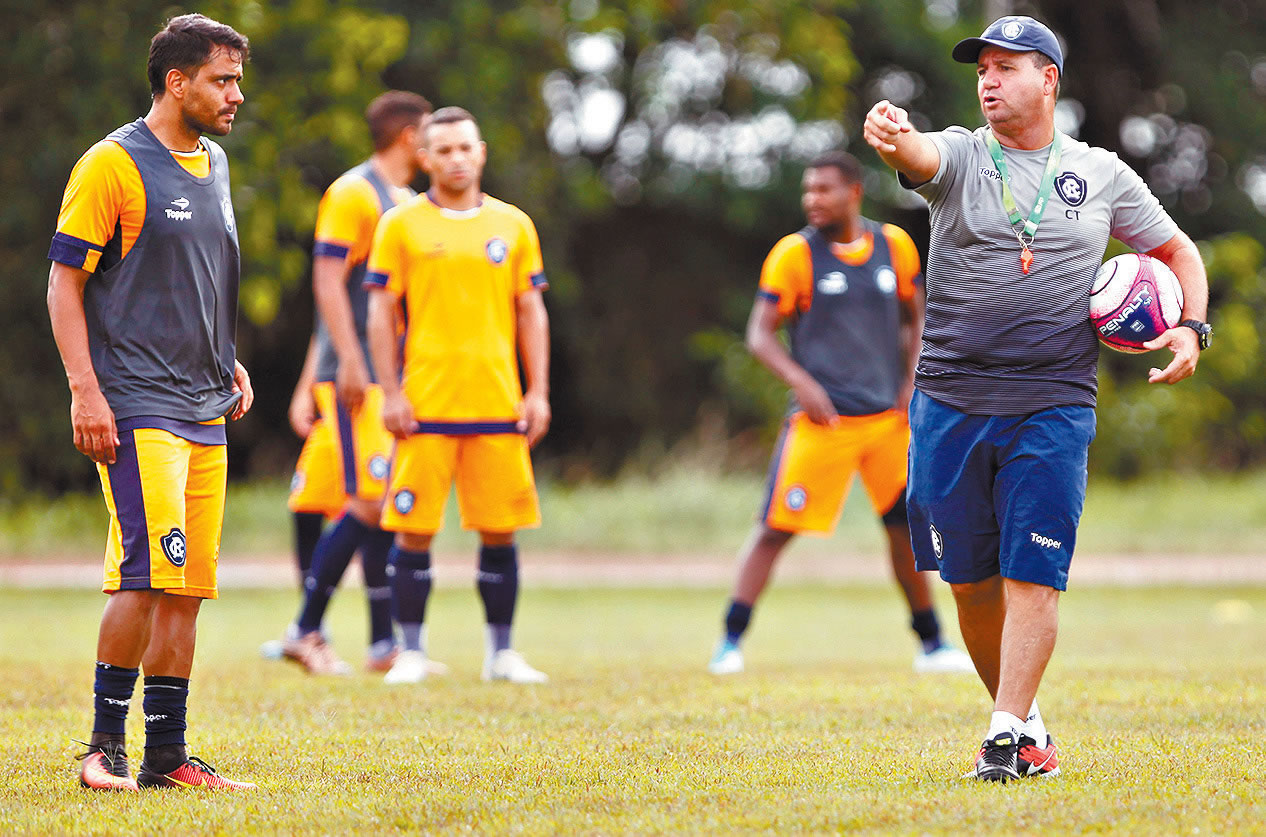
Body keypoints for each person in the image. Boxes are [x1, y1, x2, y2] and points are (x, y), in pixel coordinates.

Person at [863, 15, 1210, 782]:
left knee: (1034, 571)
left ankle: (1003, 733)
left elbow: (1176, 249)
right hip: (950, 398)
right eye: (981, 68)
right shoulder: (957, 154)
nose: (988, 80)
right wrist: (894, 136)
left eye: (1006, 67)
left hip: (1054, 400)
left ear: (1048, 80)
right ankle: (1028, 724)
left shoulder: (1102, 174)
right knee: (971, 582)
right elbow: (917, 155)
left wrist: (1191, 326)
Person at [47, 14, 257, 791]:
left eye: (237, 79)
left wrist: (226, 357)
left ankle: (168, 755)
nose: (236, 94)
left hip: (205, 405)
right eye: (222, 79)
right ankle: (103, 749)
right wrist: (86, 391)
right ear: (178, 82)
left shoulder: (216, 164)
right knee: (143, 573)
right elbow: (65, 283)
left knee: (188, 588)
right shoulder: (111, 164)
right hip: (136, 406)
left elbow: (186, 280)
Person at [708, 151, 974, 678]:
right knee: (774, 530)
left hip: (886, 424)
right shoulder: (794, 255)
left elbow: (916, 317)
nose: (812, 199)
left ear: (853, 192)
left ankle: (932, 644)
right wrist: (803, 384)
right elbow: (760, 335)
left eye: (823, 190)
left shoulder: (893, 245)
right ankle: (730, 642)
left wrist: (910, 381)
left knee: (908, 532)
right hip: (822, 424)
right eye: (808, 190)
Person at [364, 106, 551, 685]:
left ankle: (502, 654)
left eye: (465, 148)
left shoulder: (514, 225)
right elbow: (378, 310)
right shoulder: (400, 225)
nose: (456, 159)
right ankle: (412, 651)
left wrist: (538, 390)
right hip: (425, 405)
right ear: (425, 158)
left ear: (482, 151)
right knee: (412, 529)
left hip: (497, 402)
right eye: (443, 150)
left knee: (500, 530)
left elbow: (530, 310)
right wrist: (390, 392)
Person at [267, 91, 436, 676]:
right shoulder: (353, 193)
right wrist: (345, 365)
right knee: (367, 499)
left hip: (385, 378)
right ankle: (307, 629)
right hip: (355, 379)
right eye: (433, 134)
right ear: (411, 137)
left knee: (365, 500)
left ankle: (381, 643)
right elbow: (328, 285)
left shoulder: (407, 201)